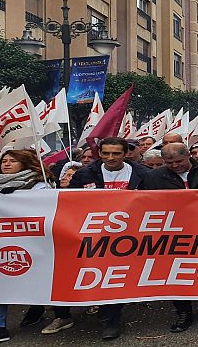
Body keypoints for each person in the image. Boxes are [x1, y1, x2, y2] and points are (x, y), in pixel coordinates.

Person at [67, 137, 149, 340]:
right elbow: (69, 200)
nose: (110, 157)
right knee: (104, 275)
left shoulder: (142, 173)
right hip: (96, 235)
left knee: (121, 275)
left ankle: (113, 313)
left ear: (125, 154)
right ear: (99, 154)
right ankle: (109, 318)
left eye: (116, 153)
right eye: (106, 153)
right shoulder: (85, 174)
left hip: (132, 235)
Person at [139, 143, 198, 332]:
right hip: (172, 232)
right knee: (176, 271)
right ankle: (183, 312)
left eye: (179, 161)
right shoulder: (153, 177)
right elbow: (145, 203)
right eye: (169, 162)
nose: (175, 165)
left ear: (188, 156)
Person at [0, 149, 53, 344]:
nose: (6, 164)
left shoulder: (40, 186)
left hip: (34, 242)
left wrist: (16, 199)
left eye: (12, 161)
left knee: (33, 278)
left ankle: (37, 308)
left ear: (25, 164)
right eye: (4, 161)